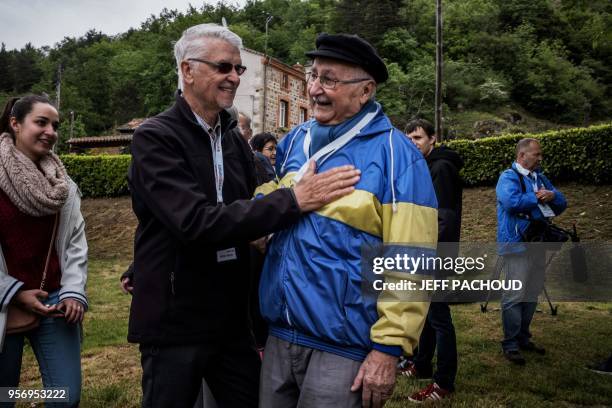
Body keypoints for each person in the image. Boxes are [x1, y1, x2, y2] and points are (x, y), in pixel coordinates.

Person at [127, 24, 360, 408]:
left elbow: (247, 207)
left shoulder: (233, 140)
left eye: (238, 69)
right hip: (175, 319)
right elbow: (194, 222)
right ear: (188, 70)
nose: (234, 77)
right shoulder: (156, 137)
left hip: (230, 318)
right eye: (223, 67)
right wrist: (292, 200)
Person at [256, 33, 438, 408]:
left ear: (366, 90)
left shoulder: (397, 155)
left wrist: (388, 349)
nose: (315, 89)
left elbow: (411, 260)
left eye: (330, 79)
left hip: (343, 347)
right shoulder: (295, 140)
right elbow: (271, 202)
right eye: (313, 76)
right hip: (279, 334)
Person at [0, 95, 88, 407]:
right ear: (15, 123)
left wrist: (73, 291)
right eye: (41, 122)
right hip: (5, 303)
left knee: (65, 397)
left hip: (54, 302)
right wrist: (14, 292)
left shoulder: (62, 184)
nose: (50, 131)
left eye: (55, 125)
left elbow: (75, 242)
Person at [401, 118, 462, 402]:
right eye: (409, 138)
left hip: (435, 255)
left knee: (439, 318)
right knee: (425, 314)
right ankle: (422, 364)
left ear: (432, 139)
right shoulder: (425, 166)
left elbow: (444, 220)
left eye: (418, 137)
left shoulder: (441, 167)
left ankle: (444, 382)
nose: (413, 143)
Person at [496, 138, 567, 365]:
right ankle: (510, 343)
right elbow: (511, 202)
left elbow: (562, 203)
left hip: (538, 243)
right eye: (536, 154)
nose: (540, 158)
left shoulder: (540, 178)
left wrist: (553, 196)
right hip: (516, 244)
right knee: (514, 295)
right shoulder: (508, 177)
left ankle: (523, 338)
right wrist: (537, 196)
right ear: (522, 156)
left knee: (532, 293)